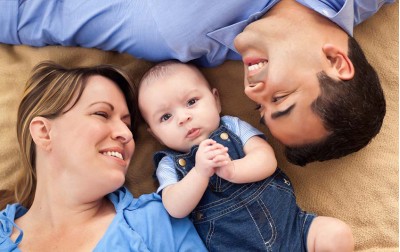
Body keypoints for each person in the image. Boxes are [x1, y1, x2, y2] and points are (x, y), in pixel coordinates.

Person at [0, 1, 392, 166]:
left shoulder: (174, 36)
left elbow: (38, 14)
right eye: (282, 98)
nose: (253, 92)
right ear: (337, 62)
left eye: (262, 108)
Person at [138, 60, 354, 251]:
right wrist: (200, 173)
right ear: (154, 133)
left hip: (293, 230)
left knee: (336, 234)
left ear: (216, 101)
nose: (183, 118)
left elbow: (266, 160)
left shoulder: (233, 127)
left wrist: (233, 170)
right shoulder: (169, 164)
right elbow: (175, 207)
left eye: (191, 102)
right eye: (166, 116)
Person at [0, 61, 207, 251]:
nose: (126, 134)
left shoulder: (156, 222)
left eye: (127, 126)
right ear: (44, 132)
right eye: (101, 114)